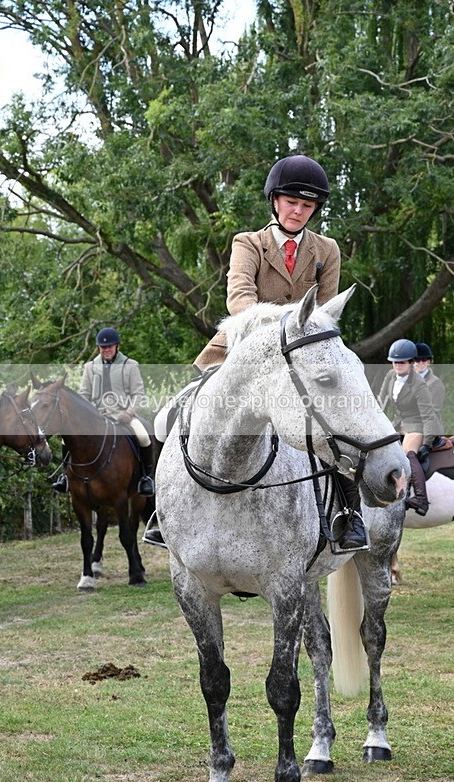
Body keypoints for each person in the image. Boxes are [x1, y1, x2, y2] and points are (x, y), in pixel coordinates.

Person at [146, 154, 367, 551]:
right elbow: (239, 300)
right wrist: (280, 328)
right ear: (274, 201)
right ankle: (163, 511)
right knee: (165, 419)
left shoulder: (327, 250)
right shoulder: (248, 243)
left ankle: (350, 516)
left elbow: (322, 313)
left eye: (307, 206)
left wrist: (299, 334)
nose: (299, 211)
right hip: (239, 351)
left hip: (301, 356)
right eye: (292, 202)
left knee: (336, 423)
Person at [52, 327, 155, 496]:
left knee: (143, 436)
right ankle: (65, 477)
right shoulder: (90, 367)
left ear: (117, 347)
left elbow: (138, 395)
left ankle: (147, 478)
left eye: (109, 347)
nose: (106, 350)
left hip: (124, 415)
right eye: (103, 347)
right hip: (96, 416)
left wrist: (129, 412)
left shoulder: (130, 365)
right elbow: (84, 394)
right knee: (66, 439)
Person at [378, 339, 442, 515]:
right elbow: (381, 401)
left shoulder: (419, 385)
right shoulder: (390, 376)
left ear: (411, 362)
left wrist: (427, 443)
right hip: (398, 423)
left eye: (402, 362)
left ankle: (421, 499)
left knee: (408, 454)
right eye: (394, 361)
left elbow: (428, 415)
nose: (397, 365)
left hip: (418, 424)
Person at [414, 342, 446, 431]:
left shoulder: (435, 383)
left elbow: (434, 410)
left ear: (429, 362)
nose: (420, 363)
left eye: (424, 359)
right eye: (417, 359)